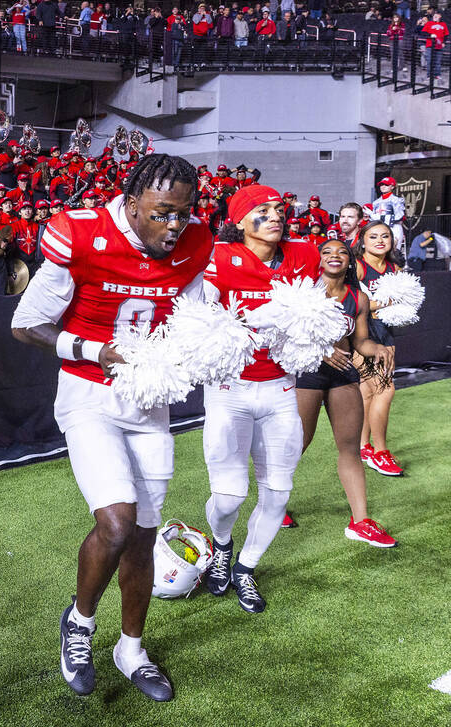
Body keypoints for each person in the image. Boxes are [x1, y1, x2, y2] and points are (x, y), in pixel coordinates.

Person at [11, 154, 212, 702]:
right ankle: (79, 622)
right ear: (131, 202)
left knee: (143, 539)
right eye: (162, 212)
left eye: (184, 213)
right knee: (118, 523)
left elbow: (195, 319)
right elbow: (25, 324)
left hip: (150, 403)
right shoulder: (81, 232)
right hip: (90, 396)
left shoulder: (195, 241)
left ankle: (132, 650)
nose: (175, 225)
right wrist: (94, 350)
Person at [201, 185, 320, 614]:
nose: (275, 216)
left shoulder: (303, 254)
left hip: (281, 388)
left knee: (279, 492)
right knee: (229, 496)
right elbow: (201, 318)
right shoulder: (220, 256)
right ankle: (221, 545)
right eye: (262, 210)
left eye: (279, 210)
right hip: (229, 387)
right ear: (239, 220)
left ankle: (245, 567)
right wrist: (250, 319)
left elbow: (323, 306)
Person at [294, 238, 397, 546]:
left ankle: (361, 521)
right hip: (308, 373)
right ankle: (274, 505)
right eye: (327, 252)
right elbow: (289, 334)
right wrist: (321, 350)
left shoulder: (358, 297)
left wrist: (377, 349)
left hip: (344, 375)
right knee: (297, 444)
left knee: (350, 448)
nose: (334, 256)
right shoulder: (304, 291)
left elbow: (360, 341)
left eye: (341, 252)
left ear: (350, 261)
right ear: (318, 260)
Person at [353, 221, 405, 477]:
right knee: (385, 389)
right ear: (362, 241)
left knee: (368, 393)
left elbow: (404, 301)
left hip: (385, 333)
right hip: (362, 337)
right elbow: (350, 301)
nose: (380, 241)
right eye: (373, 236)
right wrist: (386, 302)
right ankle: (380, 453)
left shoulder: (395, 268)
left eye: (385, 236)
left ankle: (364, 447)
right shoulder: (358, 266)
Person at [369, 176, 406, 256]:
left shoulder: (397, 200)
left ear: (392, 187)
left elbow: (399, 216)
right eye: (381, 185)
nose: (383, 187)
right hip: (380, 228)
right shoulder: (376, 202)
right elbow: (373, 219)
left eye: (386, 185)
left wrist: (378, 217)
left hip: (394, 228)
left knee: (394, 253)